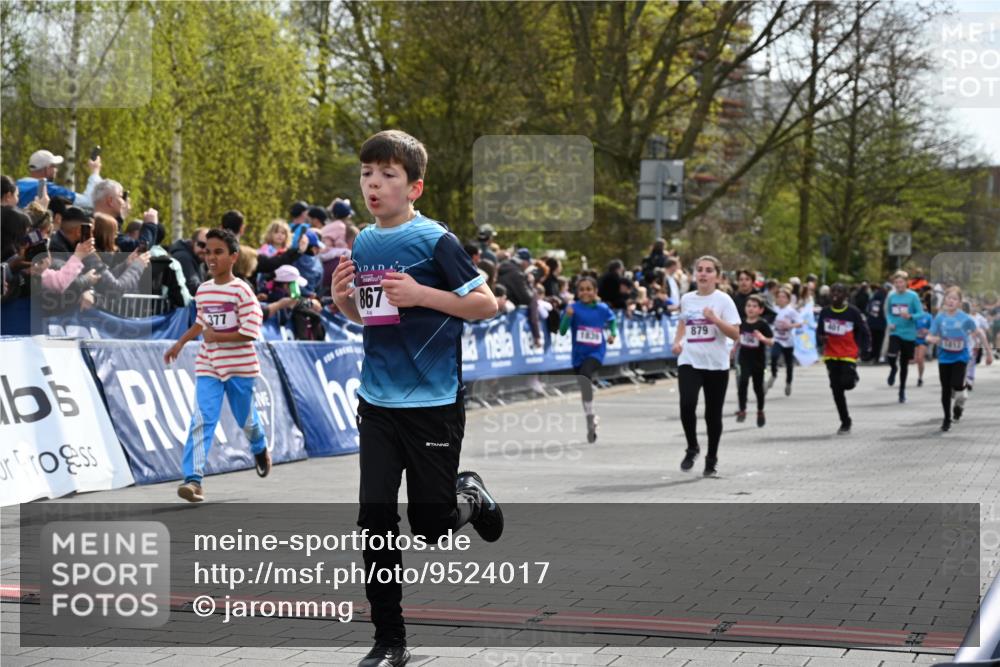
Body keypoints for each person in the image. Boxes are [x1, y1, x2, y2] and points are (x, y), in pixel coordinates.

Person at [330, 130, 501, 667]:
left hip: (433, 402)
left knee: (431, 526)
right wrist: (344, 305)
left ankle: (468, 496)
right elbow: (375, 319)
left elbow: (486, 303)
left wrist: (424, 294)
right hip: (377, 403)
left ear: (415, 187)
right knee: (374, 520)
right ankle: (389, 641)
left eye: (387, 176)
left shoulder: (435, 241)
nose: (373, 185)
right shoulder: (362, 241)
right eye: (366, 175)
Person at [163, 228, 270, 503]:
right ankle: (193, 480)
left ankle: (259, 447)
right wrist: (180, 343)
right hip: (209, 365)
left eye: (219, 252)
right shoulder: (203, 290)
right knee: (202, 419)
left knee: (247, 422)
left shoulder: (242, 291)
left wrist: (217, 336)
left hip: (239, 368)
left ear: (233, 257)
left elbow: (250, 332)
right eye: (208, 252)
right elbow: (201, 323)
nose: (211, 257)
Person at [671, 255, 741, 477]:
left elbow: (735, 333)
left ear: (717, 277)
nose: (703, 273)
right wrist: (677, 341)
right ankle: (692, 447)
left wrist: (715, 320)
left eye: (708, 270)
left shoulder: (724, 300)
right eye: (699, 269)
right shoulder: (687, 299)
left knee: (713, 414)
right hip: (690, 360)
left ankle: (712, 457)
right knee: (686, 404)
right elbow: (683, 322)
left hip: (716, 364)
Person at [926, 287, 993, 432]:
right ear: (945, 300)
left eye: (954, 299)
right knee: (945, 389)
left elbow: (979, 333)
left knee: (956, 384)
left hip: (960, 356)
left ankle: (961, 398)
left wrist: (988, 352)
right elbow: (929, 335)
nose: (951, 301)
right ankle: (947, 418)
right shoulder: (940, 317)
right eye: (948, 298)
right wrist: (934, 339)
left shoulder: (965, 318)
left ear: (959, 302)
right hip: (944, 357)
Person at [560, 276, 617, 442]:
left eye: (589, 289)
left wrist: (612, 334)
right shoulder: (573, 308)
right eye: (582, 289)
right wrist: (567, 317)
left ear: (595, 291)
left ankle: (590, 417)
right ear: (577, 292)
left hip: (596, 353)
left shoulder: (602, 308)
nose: (585, 292)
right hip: (578, 355)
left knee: (585, 376)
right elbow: (562, 331)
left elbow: (612, 321)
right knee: (584, 383)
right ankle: (591, 417)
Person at [816, 283, 871, 435]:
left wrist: (866, 348)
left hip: (848, 354)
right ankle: (845, 421)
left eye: (840, 292)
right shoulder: (825, 312)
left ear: (845, 295)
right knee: (836, 390)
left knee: (847, 384)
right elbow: (819, 332)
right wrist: (821, 339)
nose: (835, 294)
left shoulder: (852, 312)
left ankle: (853, 376)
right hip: (831, 355)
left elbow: (864, 331)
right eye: (833, 291)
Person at [884, 271, 923, 403]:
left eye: (901, 282)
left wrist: (911, 316)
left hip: (909, 334)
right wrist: (890, 323)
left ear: (906, 283)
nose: (899, 285)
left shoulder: (913, 296)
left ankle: (902, 390)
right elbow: (888, 312)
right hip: (896, 331)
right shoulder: (892, 296)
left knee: (904, 365)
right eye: (896, 283)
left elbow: (920, 313)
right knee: (891, 355)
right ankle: (893, 369)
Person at [16, 149, 102, 210]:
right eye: (54, 166)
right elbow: (88, 202)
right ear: (47, 168)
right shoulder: (48, 189)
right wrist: (95, 171)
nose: (56, 170)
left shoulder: (16, 185)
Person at [736, 294, 774, 426]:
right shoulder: (741, 323)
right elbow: (737, 338)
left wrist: (762, 338)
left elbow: (771, 341)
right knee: (743, 382)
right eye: (748, 306)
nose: (751, 309)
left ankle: (760, 410)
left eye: (754, 306)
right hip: (744, 359)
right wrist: (732, 349)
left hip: (758, 360)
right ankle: (742, 409)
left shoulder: (762, 324)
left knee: (758, 388)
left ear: (761, 310)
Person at [768, 286, 803, 395]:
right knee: (774, 356)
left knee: (789, 364)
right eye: (779, 297)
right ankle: (773, 375)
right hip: (777, 339)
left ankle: (788, 383)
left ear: (788, 299)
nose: (781, 299)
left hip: (788, 341)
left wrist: (790, 325)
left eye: (783, 297)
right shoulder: (774, 309)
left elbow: (800, 322)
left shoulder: (791, 311)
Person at [865, 281, 887, 363]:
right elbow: (883, 312)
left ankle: (873, 355)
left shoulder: (872, 300)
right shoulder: (884, 300)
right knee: (880, 341)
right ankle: (878, 356)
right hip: (881, 324)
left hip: (871, 323)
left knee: (873, 341)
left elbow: (867, 310)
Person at [913, 307, 933, 388]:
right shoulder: (915, 316)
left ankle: (920, 378)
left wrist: (927, 331)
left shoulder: (929, 316)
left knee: (920, 359)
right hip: (914, 339)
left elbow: (933, 329)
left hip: (923, 340)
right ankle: (920, 376)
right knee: (917, 360)